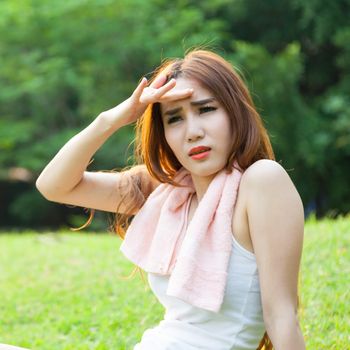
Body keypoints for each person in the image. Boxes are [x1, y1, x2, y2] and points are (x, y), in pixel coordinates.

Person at [36, 49, 305, 349]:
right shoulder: (164, 191)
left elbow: (282, 315)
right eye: (175, 118)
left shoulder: (261, 182)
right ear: (164, 132)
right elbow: (53, 186)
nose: (193, 132)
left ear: (234, 112)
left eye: (206, 110)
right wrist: (112, 119)